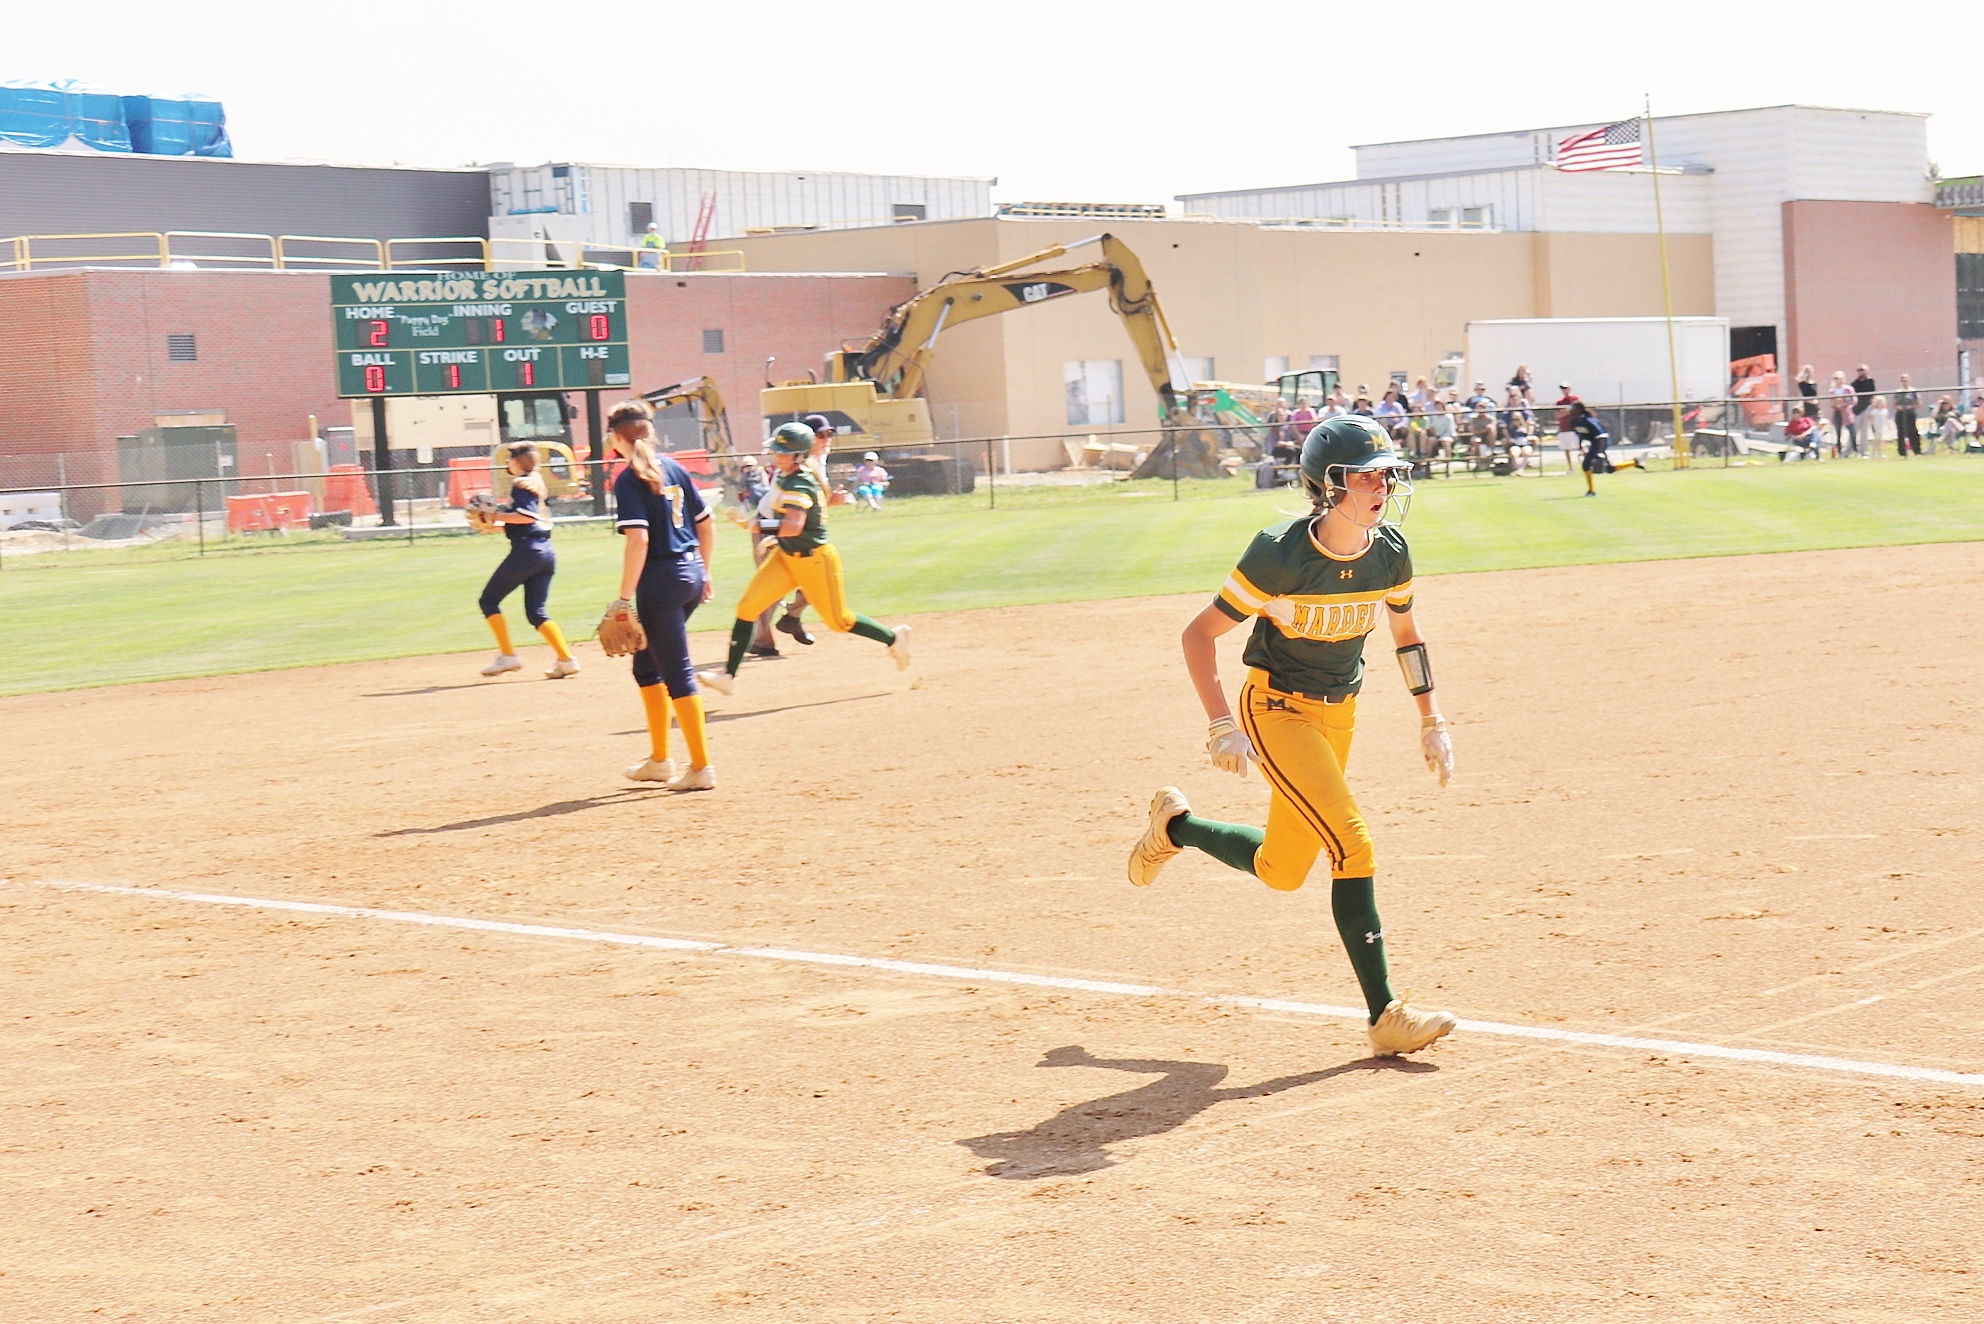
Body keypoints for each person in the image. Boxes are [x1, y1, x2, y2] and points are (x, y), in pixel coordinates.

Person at [1125, 414, 1457, 1059]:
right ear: (1329, 485)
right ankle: (1384, 1013)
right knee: (1352, 846)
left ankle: (1176, 828)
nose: (1383, 486)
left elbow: (1407, 638)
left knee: (1281, 869)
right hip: (1276, 711)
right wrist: (1222, 722)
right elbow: (1199, 636)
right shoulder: (1279, 554)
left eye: (1387, 474)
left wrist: (1431, 718)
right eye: (1368, 475)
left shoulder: (1389, 552)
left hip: (1340, 715)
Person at [697, 422, 911, 696]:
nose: (776, 455)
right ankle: (728, 675)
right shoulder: (790, 476)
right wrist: (776, 538)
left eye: (782, 452)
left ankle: (894, 638)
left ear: (798, 455)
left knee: (839, 621)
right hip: (787, 556)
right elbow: (805, 519)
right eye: (775, 450)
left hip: (815, 561)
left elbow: (794, 526)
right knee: (748, 607)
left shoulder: (799, 481)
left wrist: (754, 526)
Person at [606, 399, 718, 791]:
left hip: (660, 583)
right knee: (646, 668)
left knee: (676, 673)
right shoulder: (674, 467)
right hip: (687, 575)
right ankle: (658, 761)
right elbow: (708, 523)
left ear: (615, 437)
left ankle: (701, 767)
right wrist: (704, 571)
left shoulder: (629, 477)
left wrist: (623, 598)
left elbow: (638, 540)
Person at [475, 442, 580, 679]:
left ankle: (508, 656)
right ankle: (566, 659)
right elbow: (530, 523)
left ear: (516, 462)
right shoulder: (536, 482)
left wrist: (495, 515)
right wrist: (496, 527)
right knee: (536, 612)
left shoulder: (521, 484)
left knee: (488, 601)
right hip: (544, 553)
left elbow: (525, 517)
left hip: (527, 553)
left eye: (510, 458)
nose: (507, 462)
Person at [728, 454, 783, 658]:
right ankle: (763, 639)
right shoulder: (783, 472)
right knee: (769, 585)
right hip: (769, 528)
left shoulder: (805, 468)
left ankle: (791, 617)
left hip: (776, 529)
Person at [1570, 401, 1635, 493]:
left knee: (1586, 464)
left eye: (1573, 409)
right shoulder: (1573, 421)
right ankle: (1634, 462)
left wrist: (1600, 452)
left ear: (1579, 410)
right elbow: (1581, 434)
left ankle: (1591, 491)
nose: (1571, 411)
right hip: (1594, 442)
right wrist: (1582, 447)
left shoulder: (1589, 421)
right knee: (1609, 469)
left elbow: (1602, 436)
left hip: (1601, 442)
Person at [1553, 382, 1582, 474]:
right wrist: (1569, 411)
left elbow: (1579, 411)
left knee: (1581, 447)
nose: (1564, 390)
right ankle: (1571, 468)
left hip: (1575, 428)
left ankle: (1587, 464)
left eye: (1566, 388)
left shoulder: (1575, 399)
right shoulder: (1560, 402)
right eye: (1563, 389)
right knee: (1566, 449)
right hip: (1564, 428)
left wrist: (1566, 411)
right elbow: (1558, 415)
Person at [1828, 371, 1857, 457]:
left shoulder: (1848, 389)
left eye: (1839, 378)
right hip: (1837, 412)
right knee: (1838, 433)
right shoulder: (1832, 391)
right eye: (1835, 378)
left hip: (1847, 413)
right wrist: (1836, 404)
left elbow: (1854, 400)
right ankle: (1840, 452)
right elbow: (1831, 403)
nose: (1837, 380)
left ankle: (1855, 450)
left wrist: (1844, 404)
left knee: (1852, 432)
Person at [1894, 375, 1921, 457]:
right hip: (1901, 413)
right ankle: (1902, 452)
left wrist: (1911, 407)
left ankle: (1916, 450)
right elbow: (1895, 404)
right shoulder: (1898, 392)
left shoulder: (1913, 391)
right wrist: (1900, 408)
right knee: (1901, 432)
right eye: (1903, 380)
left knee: (1913, 431)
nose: (1904, 382)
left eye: (1906, 380)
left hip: (1910, 413)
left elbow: (1918, 403)